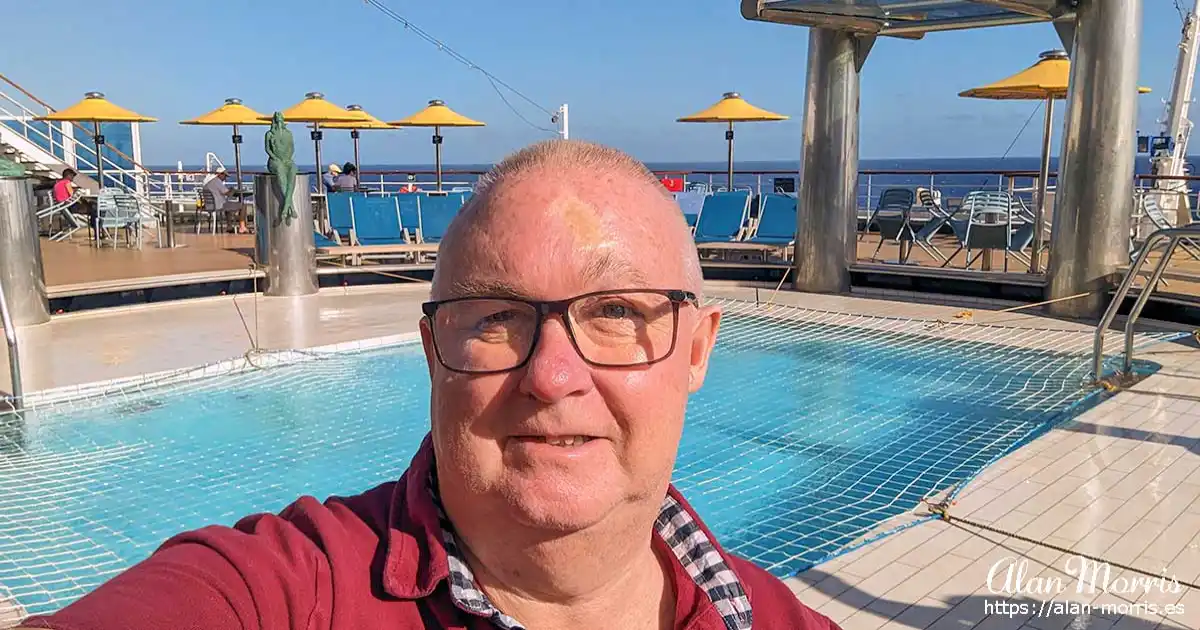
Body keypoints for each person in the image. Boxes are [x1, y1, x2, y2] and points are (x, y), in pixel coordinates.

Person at [17, 139, 839, 630]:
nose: (553, 376)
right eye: (494, 318)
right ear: (430, 350)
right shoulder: (289, 591)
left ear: (697, 350)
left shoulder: (781, 621)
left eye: (617, 311)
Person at [202, 167, 248, 234]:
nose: (225, 178)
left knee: (228, 206)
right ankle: (242, 227)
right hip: (218, 205)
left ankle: (229, 227)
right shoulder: (217, 181)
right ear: (220, 174)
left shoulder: (210, 182)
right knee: (243, 206)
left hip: (209, 205)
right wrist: (233, 190)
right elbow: (228, 194)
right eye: (225, 176)